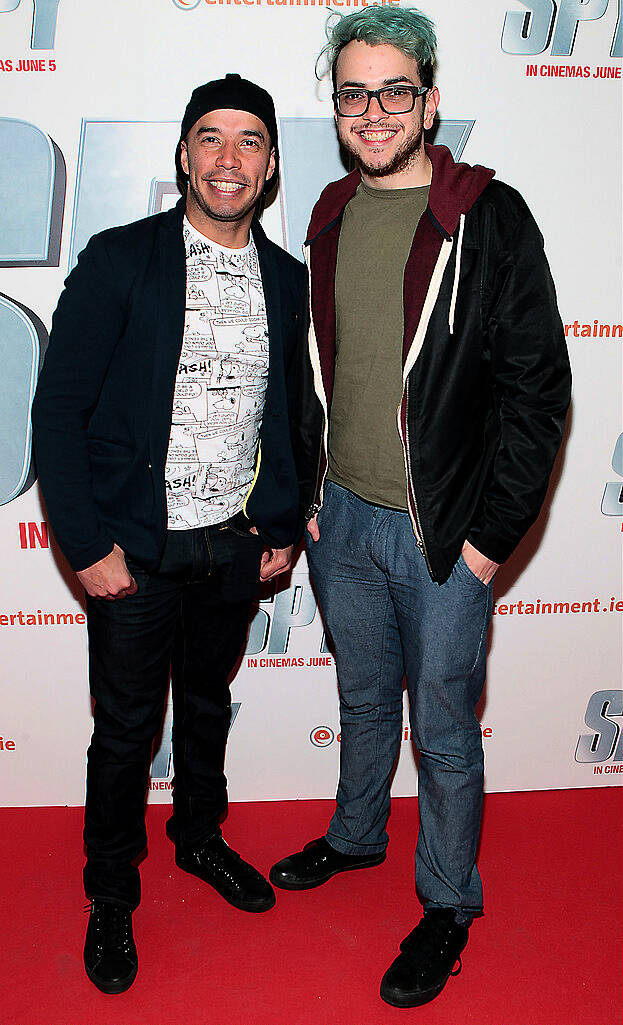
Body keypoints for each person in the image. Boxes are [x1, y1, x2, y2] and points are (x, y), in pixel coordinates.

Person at [269, 7, 571, 1009]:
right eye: (353, 92)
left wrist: (489, 539)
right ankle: (356, 835)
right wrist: (305, 491)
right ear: (339, 106)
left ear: (429, 99)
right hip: (341, 520)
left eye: (394, 89)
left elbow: (537, 392)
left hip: (443, 535)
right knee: (361, 700)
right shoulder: (323, 213)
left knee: (440, 728)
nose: (373, 110)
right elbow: (316, 372)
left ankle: (445, 902)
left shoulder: (488, 217)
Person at [32, 73, 317, 995]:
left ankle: (199, 838)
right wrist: (85, 545)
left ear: (270, 166)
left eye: (248, 142)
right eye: (210, 138)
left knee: (203, 711)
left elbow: (294, 409)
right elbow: (59, 411)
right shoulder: (120, 260)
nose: (228, 159)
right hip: (134, 548)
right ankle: (110, 893)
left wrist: (282, 519)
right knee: (123, 731)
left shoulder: (286, 277)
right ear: (184, 155)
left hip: (231, 544)